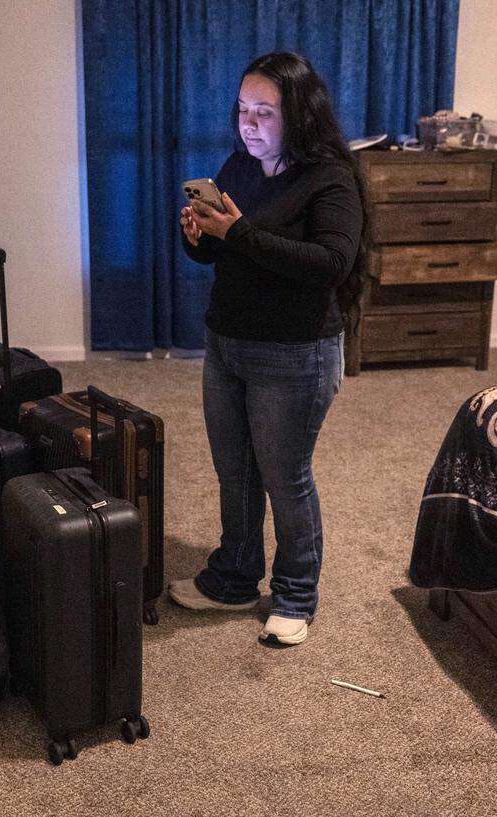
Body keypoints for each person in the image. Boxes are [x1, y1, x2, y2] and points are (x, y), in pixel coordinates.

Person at [169, 51, 370, 647]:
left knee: (285, 476)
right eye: (242, 110)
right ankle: (233, 577)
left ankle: (296, 594)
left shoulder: (330, 178)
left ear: (299, 115)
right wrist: (203, 239)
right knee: (234, 472)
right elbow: (228, 253)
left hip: (295, 354)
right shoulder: (239, 164)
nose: (248, 124)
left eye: (264, 112)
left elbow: (330, 264)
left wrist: (240, 233)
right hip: (228, 342)